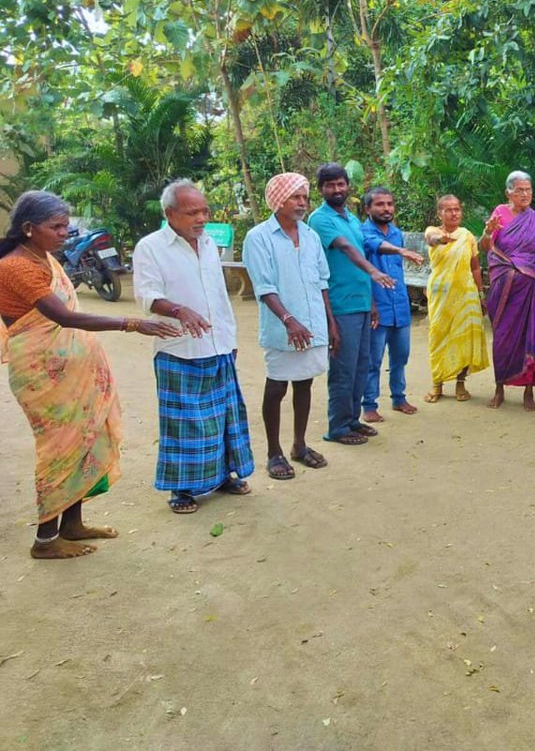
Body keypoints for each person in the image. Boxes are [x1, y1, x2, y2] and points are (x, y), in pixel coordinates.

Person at [0, 191, 179, 559]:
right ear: (29, 229)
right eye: (56, 226)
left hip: (71, 368)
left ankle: (72, 525)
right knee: (59, 449)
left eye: (67, 225)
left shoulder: (43, 256)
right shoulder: (16, 267)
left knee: (85, 440)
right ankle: (45, 541)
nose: (65, 232)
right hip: (42, 373)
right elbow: (63, 317)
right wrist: (132, 323)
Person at [133, 179, 255, 514]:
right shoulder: (151, 247)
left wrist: (229, 339)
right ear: (170, 213)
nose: (201, 218)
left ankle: (224, 476)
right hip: (179, 349)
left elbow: (219, 297)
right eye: (192, 212)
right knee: (185, 423)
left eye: (204, 211)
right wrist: (178, 310)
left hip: (218, 345)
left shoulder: (207, 246)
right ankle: (182, 490)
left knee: (225, 416)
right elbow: (146, 295)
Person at [243, 172, 337, 477]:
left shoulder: (310, 236)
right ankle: (274, 452)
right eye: (295, 197)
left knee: (305, 382)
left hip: (314, 325)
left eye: (304, 197)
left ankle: (299, 445)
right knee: (277, 385)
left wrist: (331, 323)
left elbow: (322, 282)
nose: (302, 203)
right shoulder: (258, 237)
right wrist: (289, 320)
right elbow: (264, 287)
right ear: (277, 200)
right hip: (283, 329)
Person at [307, 163, 396, 445]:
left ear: (348, 186)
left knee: (361, 366)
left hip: (360, 303)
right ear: (320, 189)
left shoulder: (351, 218)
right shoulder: (319, 219)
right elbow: (346, 248)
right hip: (339, 305)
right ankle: (337, 427)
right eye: (330, 185)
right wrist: (373, 270)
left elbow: (356, 250)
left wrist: (371, 301)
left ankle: (352, 419)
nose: (336, 189)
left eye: (341, 184)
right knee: (343, 368)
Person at [479, 170, 535, 411]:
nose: (525, 194)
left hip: (532, 290)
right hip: (504, 289)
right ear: (509, 193)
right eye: (520, 190)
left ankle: (528, 393)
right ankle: (499, 388)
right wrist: (487, 231)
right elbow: (485, 247)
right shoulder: (499, 214)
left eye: (528, 190)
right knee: (503, 339)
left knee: (531, 337)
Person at [360, 185, 425, 422]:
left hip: (400, 306)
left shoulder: (396, 233)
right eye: (380, 204)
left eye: (389, 204)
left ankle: (399, 398)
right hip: (377, 307)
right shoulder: (362, 233)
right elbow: (375, 248)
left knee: (401, 356)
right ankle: (369, 405)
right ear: (368, 208)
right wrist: (371, 303)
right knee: (373, 359)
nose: (386, 208)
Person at [423, 194, 489, 402]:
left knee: (465, 338)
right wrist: (442, 240)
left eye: (457, 209)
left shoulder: (467, 235)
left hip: (466, 294)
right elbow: (431, 240)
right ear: (439, 213)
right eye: (448, 209)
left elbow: (475, 267)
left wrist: (481, 294)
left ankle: (461, 384)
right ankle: (437, 384)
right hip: (441, 294)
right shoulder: (433, 231)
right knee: (439, 336)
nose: (454, 213)